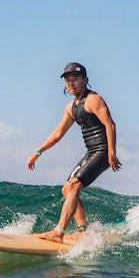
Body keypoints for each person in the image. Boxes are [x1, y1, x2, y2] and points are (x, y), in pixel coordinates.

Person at [27, 62, 121, 242]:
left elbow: (110, 124)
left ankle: (58, 232)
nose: (71, 84)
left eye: (75, 80)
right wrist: (38, 152)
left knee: (74, 186)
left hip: (102, 152)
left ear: (85, 80)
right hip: (91, 151)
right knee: (66, 189)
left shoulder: (94, 100)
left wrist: (111, 153)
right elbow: (58, 134)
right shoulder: (71, 107)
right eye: (68, 81)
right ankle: (82, 229)